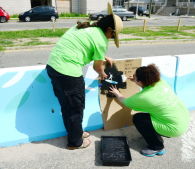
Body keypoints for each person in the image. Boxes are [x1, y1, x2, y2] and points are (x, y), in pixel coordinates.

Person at [46, 3, 123, 150]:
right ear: (108, 30)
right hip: (68, 72)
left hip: (53, 67)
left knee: (67, 106)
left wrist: (102, 56)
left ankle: (77, 132)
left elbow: (84, 46)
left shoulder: (85, 27)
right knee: (75, 107)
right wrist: (103, 73)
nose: (112, 39)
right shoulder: (101, 40)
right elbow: (97, 67)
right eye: (113, 35)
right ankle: (75, 142)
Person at [109, 64, 190, 157]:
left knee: (139, 119)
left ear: (140, 81)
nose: (133, 76)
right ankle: (162, 133)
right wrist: (137, 80)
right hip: (183, 118)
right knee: (150, 113)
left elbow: (125, 101)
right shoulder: (160, 82)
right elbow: (147, 85)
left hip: (174, 128)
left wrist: (117, 93)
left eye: (135, 76)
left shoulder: (144, 97)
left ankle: (157, 147)